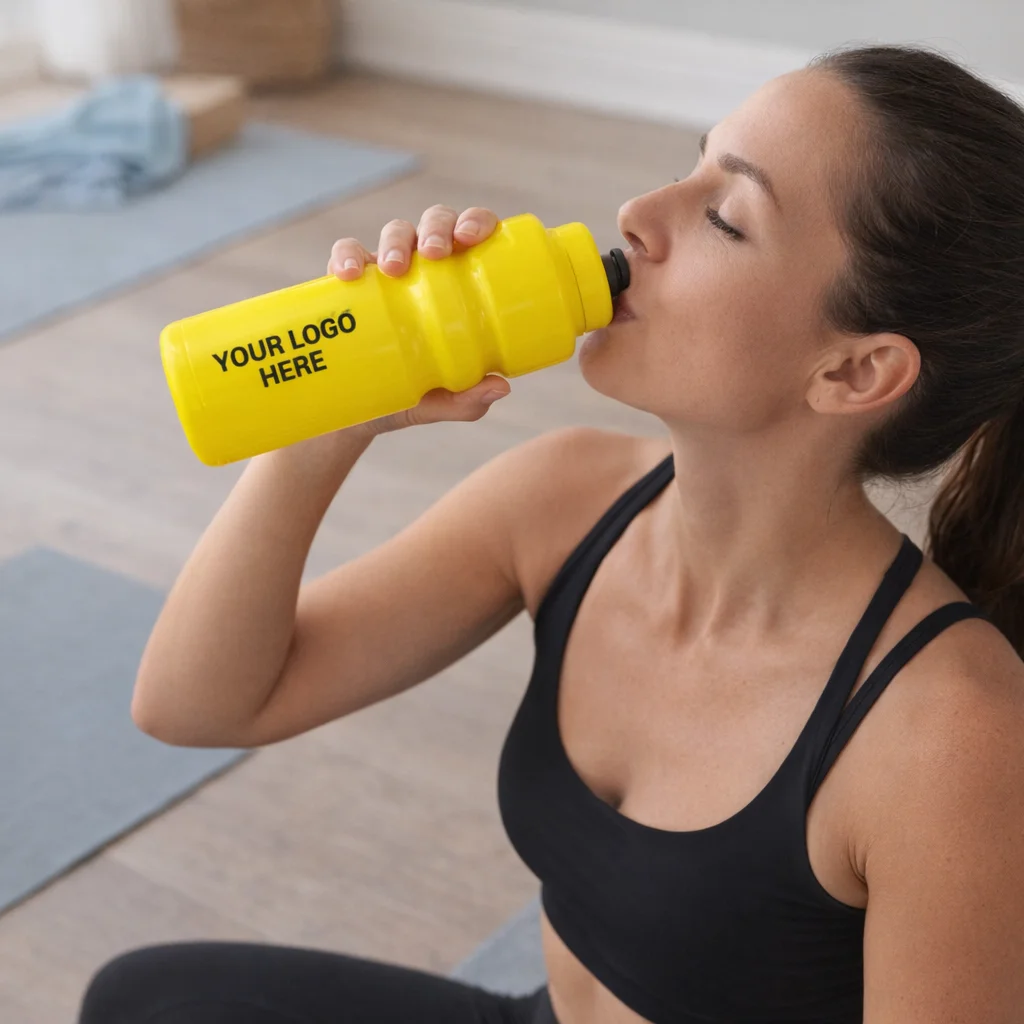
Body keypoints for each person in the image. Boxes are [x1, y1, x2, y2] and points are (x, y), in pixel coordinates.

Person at [78, 42, 1024, 1024]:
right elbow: (199, 704)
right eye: (688, 162)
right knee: (146, 999)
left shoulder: (950, 731)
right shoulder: (563, 497)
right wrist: (326, 425)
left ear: (854, 373)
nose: (637, 215)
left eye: (722, 216)